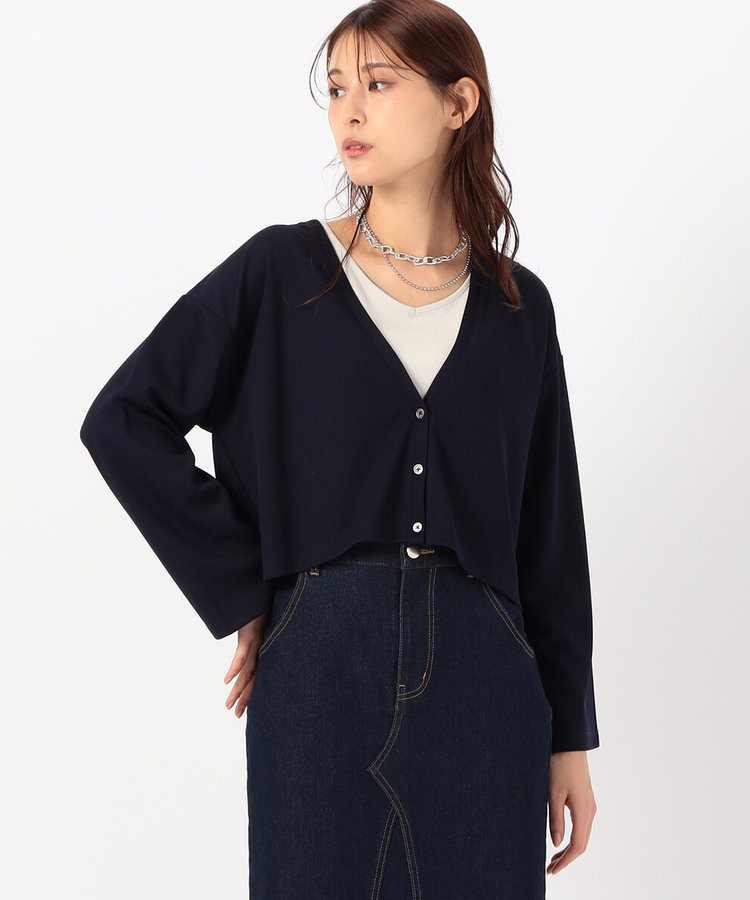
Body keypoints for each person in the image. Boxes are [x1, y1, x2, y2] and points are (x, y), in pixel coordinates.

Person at [80, 1, 600, 897]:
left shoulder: (520, 307)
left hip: (487, 673)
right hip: (318, 664)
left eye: (380, 83)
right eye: (335, 88)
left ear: (459, 103)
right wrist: (246, 588)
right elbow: (124, 420)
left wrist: (570, 740)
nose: (349, 111)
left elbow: (550, 530)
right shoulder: (280, 273)